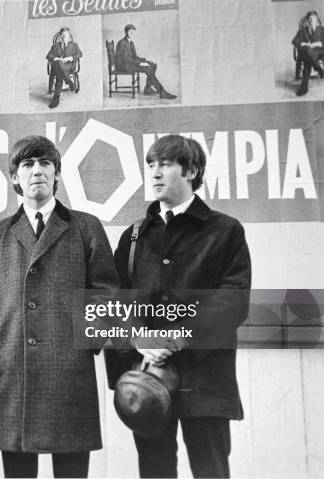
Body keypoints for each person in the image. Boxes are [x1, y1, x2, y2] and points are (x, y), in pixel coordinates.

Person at [0, 135, 118, 478]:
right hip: (14, 373)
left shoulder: (86, 227)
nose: (37, 171)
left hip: (70, 375)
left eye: (45, 163)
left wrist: (82, 343)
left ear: (57, 173)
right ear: (14, 178)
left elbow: (107, 293)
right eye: (27, 164)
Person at [106, 135, 251, 478]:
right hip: (148, 383)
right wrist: (138, 340)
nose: (155, 173)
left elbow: (234, 300)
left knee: (211, 471)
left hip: (207, 383)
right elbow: (112, 301)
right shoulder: (134, 236)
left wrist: (173, 338)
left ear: (192, 170)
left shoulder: (225, 230)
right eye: (151, 165)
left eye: (166, 164)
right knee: (155, 471)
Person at [116, 24, 177, 100]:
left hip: (130, 63)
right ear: (126, 32)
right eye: (130, 32)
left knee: (153, 65)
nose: (132, 34)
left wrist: (146, 60)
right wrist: (140, 63)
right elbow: (125, 59)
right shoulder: (122, 43)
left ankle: (148, 88)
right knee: (147, 69)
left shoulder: (131, 43)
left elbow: (135, 57)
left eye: (133, 32)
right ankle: (162, 92)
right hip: (124, 66)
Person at [46, 27, 82, 109]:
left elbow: (80, 54)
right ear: (60, 36)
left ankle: (55, 100)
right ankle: (69, 82)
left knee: (59, 73)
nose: (63, 37)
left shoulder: (74, 45)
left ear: (69, 36)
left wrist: (70, 58)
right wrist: (56, 58)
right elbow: (48, 56)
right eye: (62, 35)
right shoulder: (55, 46)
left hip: (69, 66)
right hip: (59, 67)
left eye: (65, 35)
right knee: (59, 63)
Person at [293, 10, 324, 96]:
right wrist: (304, 44)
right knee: (307, 50)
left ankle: (304, 88)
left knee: (307, 56)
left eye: (313, 18)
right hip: (308, 54)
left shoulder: (322, 29)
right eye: (309, 19)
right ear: (307, 21)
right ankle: (319, 69)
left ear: (317, 19)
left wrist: (318, 43)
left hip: (319, 52)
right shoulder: (302, 31)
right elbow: (295, 41)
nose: (311, 21)